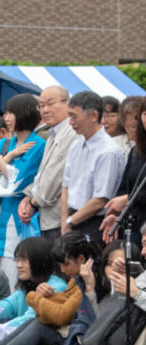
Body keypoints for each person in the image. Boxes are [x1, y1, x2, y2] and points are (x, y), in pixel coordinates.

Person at [0, 93, 44, 283]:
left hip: (19, 216)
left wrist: (1, 163)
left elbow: (17, 183)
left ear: (24, 114)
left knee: (14, 268)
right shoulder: (4, 144)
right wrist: (9, 158)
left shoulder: (38, 144)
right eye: (7, 112)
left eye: (12, 113)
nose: (7, 118)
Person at [61, 90, 124, 242]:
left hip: (95, 224)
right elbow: (66, 187)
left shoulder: (109, 151)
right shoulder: (76, 145)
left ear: (94, 116)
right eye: (69, 116)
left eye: (74, 116)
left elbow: (100, 200)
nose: (70, 122)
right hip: (72, 219)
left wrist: (69, 222)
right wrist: (65, 222)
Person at [18, 86, 77, 242]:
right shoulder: (51, 134)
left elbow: (55, 176)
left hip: (60, 219)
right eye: (42, 105)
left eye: (51, 103)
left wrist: (33, 202)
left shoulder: (72, 132)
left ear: (68, 104)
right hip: (47, 219)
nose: (45, 110)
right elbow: (42, 174)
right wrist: (28, 196)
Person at [101, 100, 146, 245]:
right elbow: (125, 188)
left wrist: (129, 199)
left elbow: (129, 195)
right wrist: (117, 213)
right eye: (145, 114)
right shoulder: (136, 152)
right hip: (132, 229)